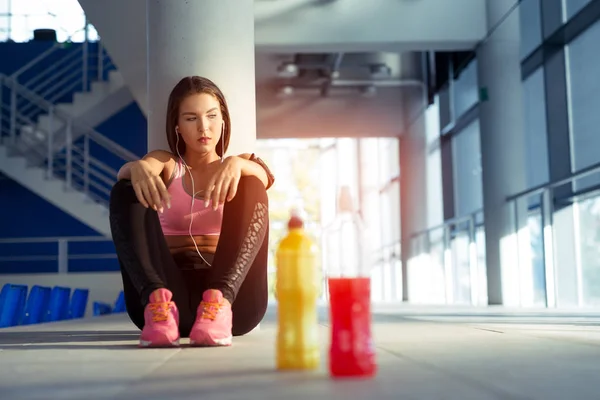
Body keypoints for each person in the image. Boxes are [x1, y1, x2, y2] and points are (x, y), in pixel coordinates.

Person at [109, 76, 274, 348]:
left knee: (251, 184)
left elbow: (265, 178)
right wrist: (135, 168)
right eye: (191, 118)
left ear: (223, 120)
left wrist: (234, 163)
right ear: (177, 125)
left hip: (235, 306)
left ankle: (219, 302)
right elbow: (133, 172)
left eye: (211, 116)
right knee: (127, 189)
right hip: (169, 302)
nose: (203, 127)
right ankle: (155, 302)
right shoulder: (167, 162)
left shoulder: (240, 165)